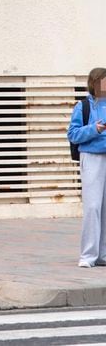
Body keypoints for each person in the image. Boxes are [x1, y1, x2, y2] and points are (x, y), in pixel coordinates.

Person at [69, 67, 106, 267]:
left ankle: (103, 255)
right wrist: (94, 129)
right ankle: (88, 255)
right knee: (92, 206)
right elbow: (73, 134)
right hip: (91, 157)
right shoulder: (83, 106)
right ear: (94, 83)